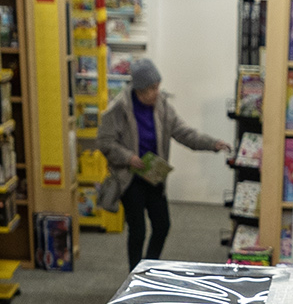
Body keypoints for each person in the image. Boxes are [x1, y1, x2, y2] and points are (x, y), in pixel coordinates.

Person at [94, 57, 227, 267]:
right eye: (150, 89)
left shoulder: (162, 106)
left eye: (157, 87)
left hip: (154, 175)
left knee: (162, 226)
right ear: (138, 89)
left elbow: (183, 132)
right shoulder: (118, 109)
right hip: (130, 179)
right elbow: (105, 141)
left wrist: (212, 143)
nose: (156, 93)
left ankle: (148, 268)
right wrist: (129, 157)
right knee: (137, 231)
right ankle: (135, 276)